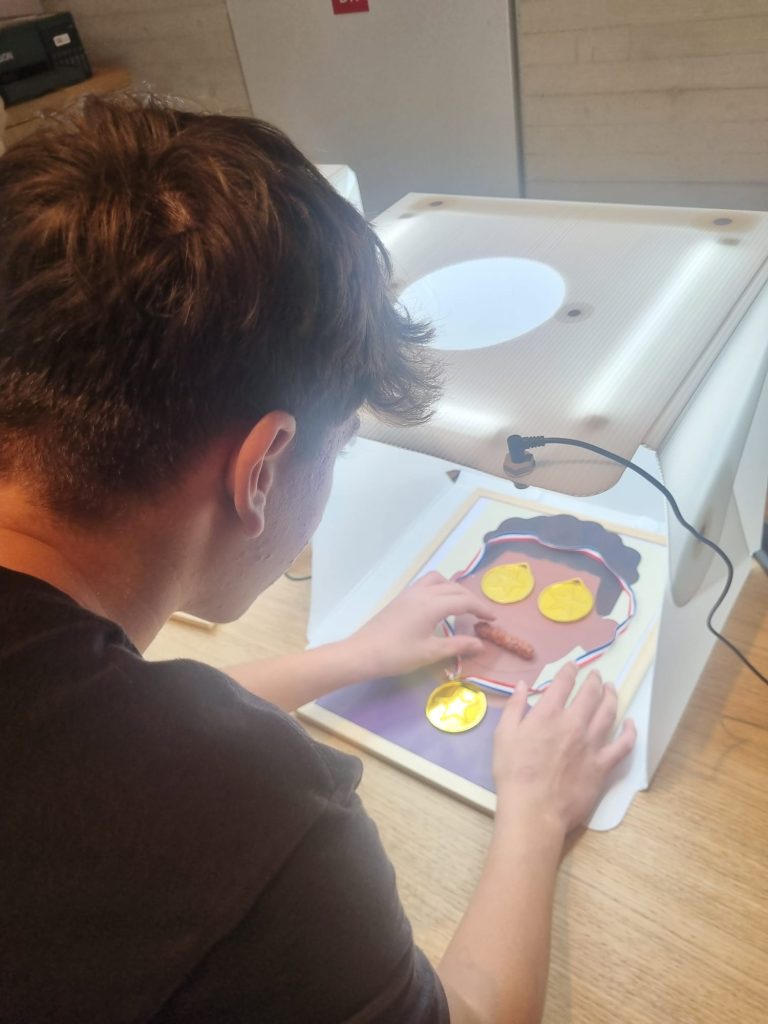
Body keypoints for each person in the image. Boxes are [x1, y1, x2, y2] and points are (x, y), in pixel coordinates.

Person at [0, 94, 635, 1024]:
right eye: (340, 447)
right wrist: (537, 813)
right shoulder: (252, 820)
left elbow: (79, 737)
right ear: (260, 470)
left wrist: (353, 656)